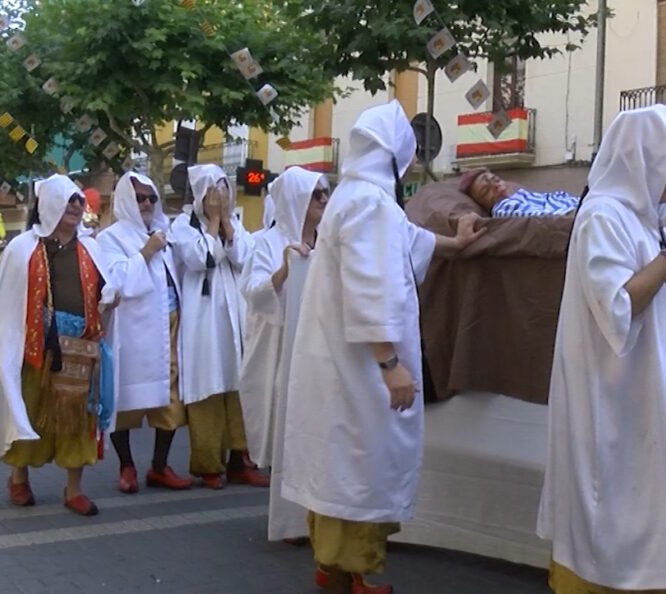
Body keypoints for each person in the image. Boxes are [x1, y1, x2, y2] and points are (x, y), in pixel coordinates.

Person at [280, 100, 485, 594]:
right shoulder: (369, 205)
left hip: (341, 368)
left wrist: (455, 243)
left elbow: (409, 240)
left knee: (342, 467)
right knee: (361, 469)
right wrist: (390, 363)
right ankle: (351, 574)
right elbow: (368, 289)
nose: (411, 166)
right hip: (359, 369)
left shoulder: (356, 199)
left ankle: (334, 568)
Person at [537, 105, 666, 594]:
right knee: (616, 523)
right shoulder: (602, 217)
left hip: (650, 392)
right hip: (614, 398)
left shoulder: (645, 217)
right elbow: (618, 303)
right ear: (640, 158)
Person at [0, 174, 117, 516]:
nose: (76, 206)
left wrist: (110, 299)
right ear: (49, 204)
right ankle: (19, 477)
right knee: (30, 409)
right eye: (69, 200)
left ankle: (74, 489)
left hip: (80, 346)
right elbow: (5, 301)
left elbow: (107, 289)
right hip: (35, 347)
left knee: (78, 420)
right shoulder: (21, 248)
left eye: (79, 201)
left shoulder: (91, 247)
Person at [239, 166, 328, 543]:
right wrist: (284, 271)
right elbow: (253, 291)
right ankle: (291, 520)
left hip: (318, 350)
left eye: (325, 193)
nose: (324, 200)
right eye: (317, 194)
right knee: (286, 430)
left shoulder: (329, 240)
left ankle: (317, 515)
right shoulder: (267, 242)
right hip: (278, 351)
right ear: (297, 200)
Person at [170, 164, 267, 489]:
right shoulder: (183, 227)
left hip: (235, 320)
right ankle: (208, 464)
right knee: (207, 388)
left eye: (225, 188)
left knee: (239, 386)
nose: (221, 196)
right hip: (204, 324)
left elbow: (245, 257)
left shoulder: (235, 225)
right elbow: (201, 259)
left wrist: (225, 223)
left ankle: (240, 460)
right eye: (214, 191)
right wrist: (212, 223)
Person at [98, 172, 193, 493]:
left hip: (170, 324)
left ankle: (160, 465)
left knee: (171, 395)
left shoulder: (165, 232)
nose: (147, 204)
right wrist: (145, 253)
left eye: (152, 198)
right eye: (140, 198)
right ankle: (126, 466)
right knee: (125, 397)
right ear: (127, 200)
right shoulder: (111, 238)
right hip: (133, 330)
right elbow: (116, 281)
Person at [458, 166, 666, 218]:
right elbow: (540, 220)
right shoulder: (505, 208)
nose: (494, 184)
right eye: (486, 189)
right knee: (638, 202)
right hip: (580, 213)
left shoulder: (519, 194)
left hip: (583, 205)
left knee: (641, 201)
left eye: (492, 178)